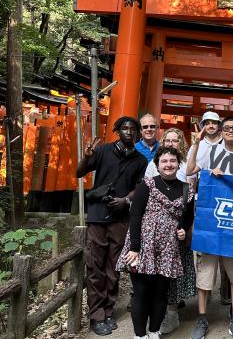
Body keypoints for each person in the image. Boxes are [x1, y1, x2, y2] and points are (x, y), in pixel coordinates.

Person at [187, 116, 233, 339]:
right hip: (211, 220)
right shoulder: (212, 152)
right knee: (206, 272)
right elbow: (190, 170)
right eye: (226, 128)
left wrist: (226, 178)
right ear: (221, 130)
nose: (229, 131)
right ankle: (202, 318)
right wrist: (197, 143)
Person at [76, 117, 147, 336]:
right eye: (124, 128)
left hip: (121, 218)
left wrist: (126, 200)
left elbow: (140, 187)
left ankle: (108, 311)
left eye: (133, 129)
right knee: (95, 266)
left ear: (137, 134)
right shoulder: (103, 150)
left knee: (114, 268)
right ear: (117, 131)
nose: (129, 131)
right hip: (98, 216)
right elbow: (79, 173)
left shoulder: (140, 160)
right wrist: (86, 157)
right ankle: (96, 315)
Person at [116, 146, 194, 339]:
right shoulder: (147, 184)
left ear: (179, 164)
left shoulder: (186, 190)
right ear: (157, 165)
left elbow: (188, 216)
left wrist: (183, 229)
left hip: (168, 245)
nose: (169, 165)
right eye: (164, 161)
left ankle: (154, 331)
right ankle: (140, 335)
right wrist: (135, 247)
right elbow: (135, 214)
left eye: (172, 161)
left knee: (161, 292)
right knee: (141, 291)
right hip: (143, 243)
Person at [145, 128, 195, 335]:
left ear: (181, 143)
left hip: (178, 225)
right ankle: (157, 311)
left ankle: (172, 313)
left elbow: (190, 196)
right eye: (168, 140)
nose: (172, 143)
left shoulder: (185, 164)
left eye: (176, 140)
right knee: (156, 271)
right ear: (163, 141)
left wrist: (184, 226)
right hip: (155, 228)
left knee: (176, 271)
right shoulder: (153, 164)